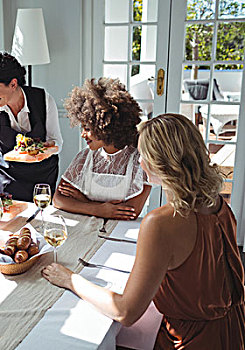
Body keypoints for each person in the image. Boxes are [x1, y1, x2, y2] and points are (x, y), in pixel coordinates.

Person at [42, 114, 245, 348]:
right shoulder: (219, 205)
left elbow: (125, 311)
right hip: (232, 332)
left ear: (162, 162)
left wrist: (69, 279)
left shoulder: (161, 222)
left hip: (188, 341)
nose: (139, 162)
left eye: (142, 155)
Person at [53, 77, 151, 219]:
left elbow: (131, 212)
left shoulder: (138, 159)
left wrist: (83, 201)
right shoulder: (85, 157)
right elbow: (58, 199)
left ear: (105, 126)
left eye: (87, 128)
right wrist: (99, 210)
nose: (82, 134)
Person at [0, 51, 63, 202]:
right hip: (8, 180)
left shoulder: (44, 100)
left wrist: (45, 149)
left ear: (13, 84)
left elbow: (57, 142)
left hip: (43, 180)